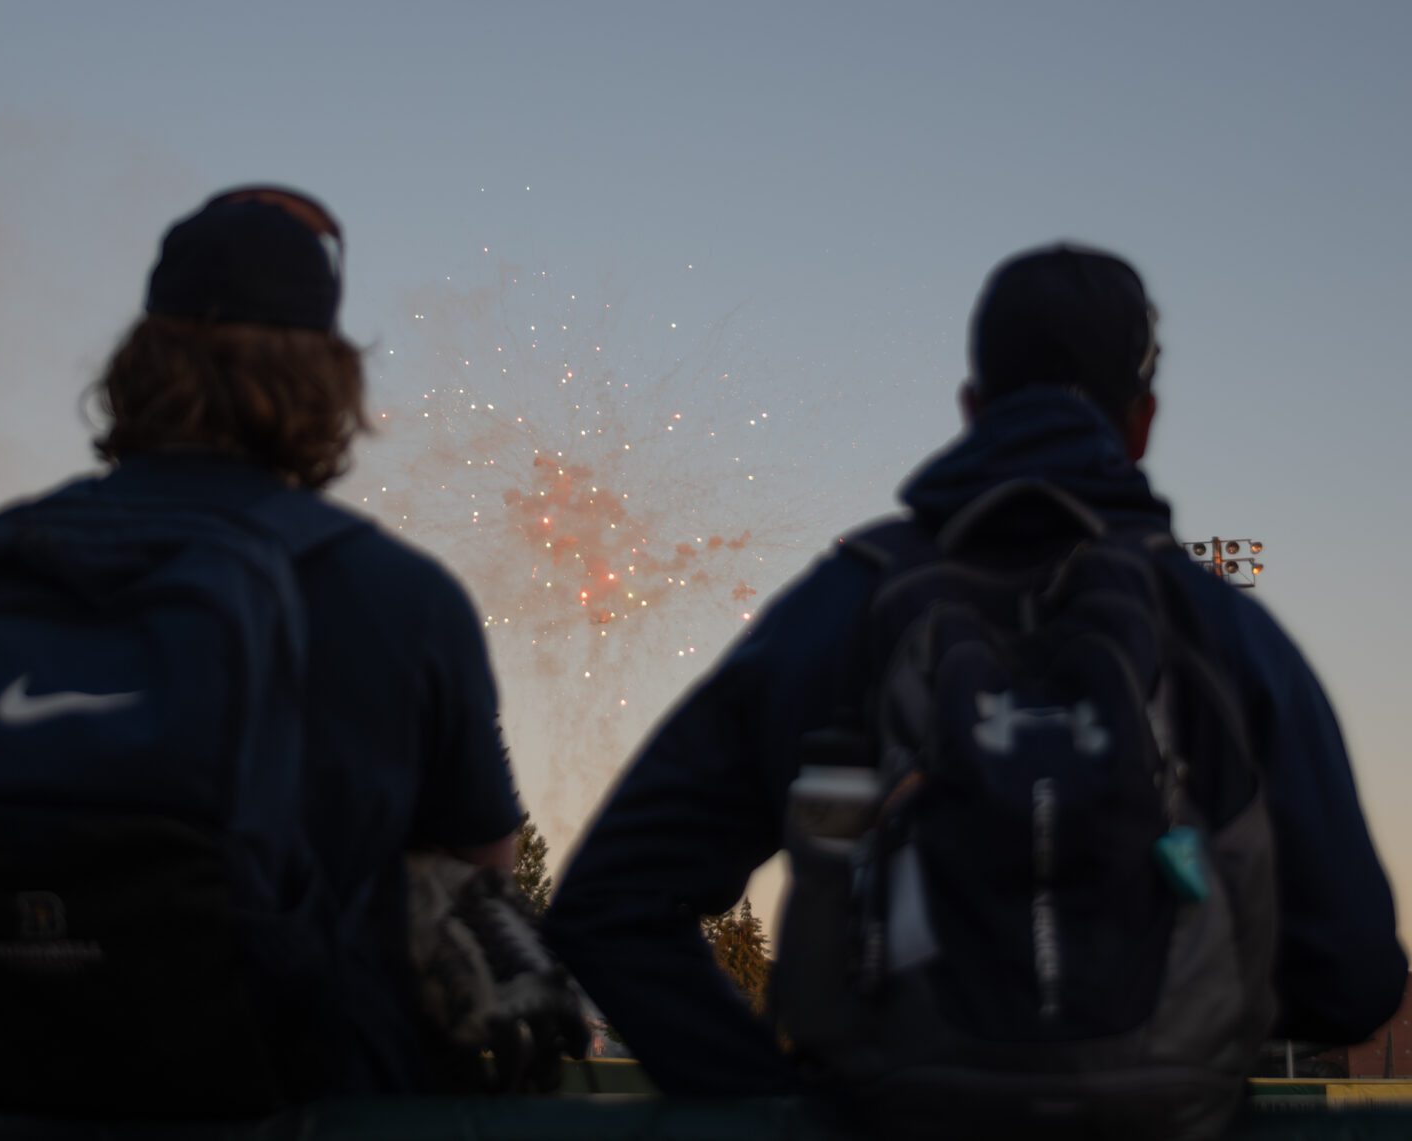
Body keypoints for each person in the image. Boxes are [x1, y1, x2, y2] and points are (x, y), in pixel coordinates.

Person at [544, 244, 1407, 1104]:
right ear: (1141, 421)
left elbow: (608, 906)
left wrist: (771, 1109)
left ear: (972, 406)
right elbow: (1355, 982)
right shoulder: (1222, 629)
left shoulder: (851, 602)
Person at [0, 187, 523, 1103]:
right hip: (293, 1098)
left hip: (10, 1092)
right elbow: (481, 882)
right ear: (329, 377)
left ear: (140, 360)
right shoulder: (402, 595)